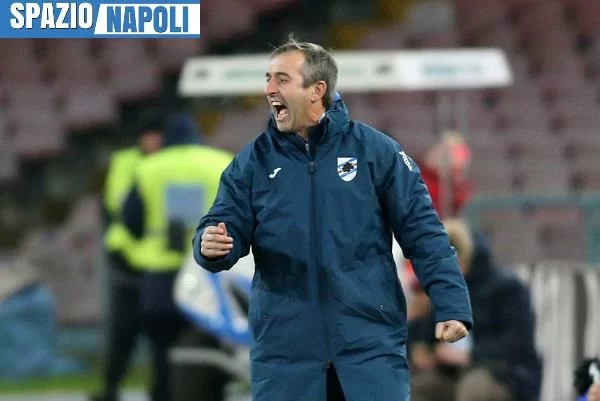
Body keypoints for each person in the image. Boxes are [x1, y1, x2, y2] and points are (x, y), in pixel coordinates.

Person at [193, 38, 473, 401]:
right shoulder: (252, 163)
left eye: (281, 79)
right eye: (267, 78)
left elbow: (424, 233)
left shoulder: (377, 153)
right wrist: (211, 244)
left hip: (369, 348)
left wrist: (451, 305)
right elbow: (223, 222)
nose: (268, 89)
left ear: (317, 90)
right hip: (285, 355)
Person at [122, 112, 234, 401]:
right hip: (210, 275)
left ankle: (164, 393)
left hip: (163, 277)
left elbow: (131, 221)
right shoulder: (221, 162)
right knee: (210, 353)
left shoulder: (149, 168)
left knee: (163, 351)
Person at [409, 219, 542, 401]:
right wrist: (420, 345)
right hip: (453, 374)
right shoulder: (443, 289)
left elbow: (518, 341)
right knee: (419, 386)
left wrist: (470, 355)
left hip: (504, 375)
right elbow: (427, 336)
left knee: (474, 389)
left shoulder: (507, 288)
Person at [91, 115, 163, 401]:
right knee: (124, 330)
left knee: (161, 331)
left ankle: (161, 387)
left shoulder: (165, 163)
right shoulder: (125, 162)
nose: (153, 140)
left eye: (157, 134)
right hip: (128, 259)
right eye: (149, 134)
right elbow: (116, 203)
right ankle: (111, 387)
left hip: (158, 261)